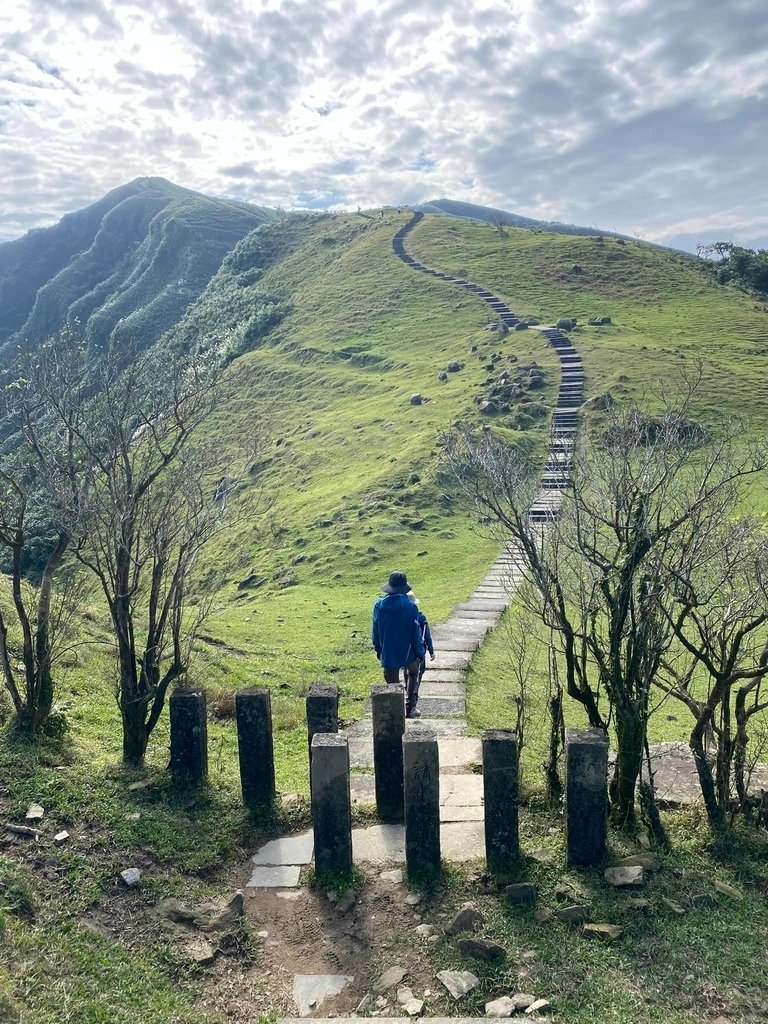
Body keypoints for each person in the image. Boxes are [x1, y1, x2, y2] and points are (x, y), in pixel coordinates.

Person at [372, 570, 424, 718]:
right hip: (408, 650)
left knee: (392, 683)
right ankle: (411, 706)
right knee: (413, 673)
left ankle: (395, 710)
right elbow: (416, 632)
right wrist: (419, 652)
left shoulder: (379, 606)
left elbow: (375, 630)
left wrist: (378, 647)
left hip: (388, 650)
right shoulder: (410, 607)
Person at [402, 591, 434, 716]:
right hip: (418, 651)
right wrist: (431, 650)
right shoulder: (421, 618)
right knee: (417, 674)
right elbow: (427, 636)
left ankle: (407, 690)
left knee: (407, 672)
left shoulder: (403, 618)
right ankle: (412, 701)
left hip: (406, 651)